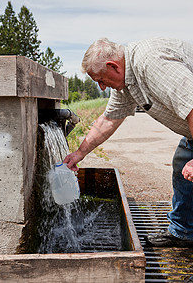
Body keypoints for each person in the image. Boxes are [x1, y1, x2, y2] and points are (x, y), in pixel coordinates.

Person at [64, 37, 193, 247]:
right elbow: (108, 120)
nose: (102, 87)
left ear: (113, 66)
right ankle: (184, 231)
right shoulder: (126, 83)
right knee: (183, 163)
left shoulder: (151, 63)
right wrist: (79, 154)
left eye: (101, 80)